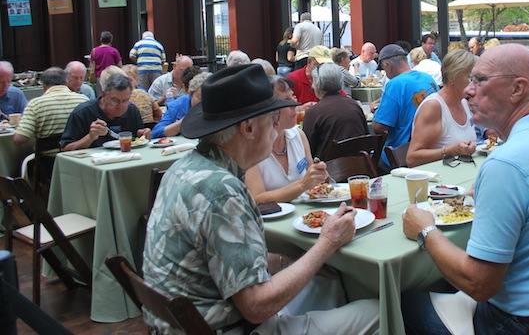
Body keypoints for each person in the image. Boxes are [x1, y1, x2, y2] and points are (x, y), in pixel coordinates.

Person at [144, 64, 378, 334]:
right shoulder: (222, 190)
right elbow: (256, 307)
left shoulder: (184, 168)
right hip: (229, 326)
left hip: (183, 319)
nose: (277, 127)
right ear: (249, 129)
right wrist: (327, 243)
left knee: (328, 282)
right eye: (272, 120)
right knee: (378, 311)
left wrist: (284, 261)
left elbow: (221, 258)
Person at [401, 44, 529, 335]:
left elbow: (480, 285)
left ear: (517, 89)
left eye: (480, 80)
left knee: (403, 301)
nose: (467, 91)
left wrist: (425, 231)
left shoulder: (507, 163)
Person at [245, 75, 329, 203]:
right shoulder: (250, 146)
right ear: (266, 110)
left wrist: (319, 175)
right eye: (285, 100)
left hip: (303, 219)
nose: (295, 104)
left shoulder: (298, 135)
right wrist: (302, 185)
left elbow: (312, 183)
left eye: (293, 97)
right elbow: (257, 198)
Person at [406, 49, 477, 167]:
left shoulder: (463, 103)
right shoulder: (433, 106)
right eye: (470, 78)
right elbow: (412, 158)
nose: (474, 84)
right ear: (453, 76)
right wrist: (449, 151)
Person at [372, 44, 438, 170]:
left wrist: (376, 110)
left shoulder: (395, 84)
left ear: (388, 65)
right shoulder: (427, 78)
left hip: (403, 155)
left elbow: (379, 126)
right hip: (431, 147)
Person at [61, 72, 151, 150]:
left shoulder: (131, 110)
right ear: (104, 95)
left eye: (125, 101)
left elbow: (138, 141)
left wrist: (143, 135)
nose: (120, 106)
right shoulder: (83, 112)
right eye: (115, 100)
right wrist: (90, 137)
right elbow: (65, 149)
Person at [13, 67, 88, 160]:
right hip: (81, 158)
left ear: (43, 86)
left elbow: (19, 139)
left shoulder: (35, 104)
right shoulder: (84, 100)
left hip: (48, 163)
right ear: (66, 82)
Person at [303, 63, 369, 158]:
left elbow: (307, 148)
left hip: (329, 169)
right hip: (361, 165)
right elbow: (366, 137)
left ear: (317, 84)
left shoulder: (314, 112)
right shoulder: (354, 105)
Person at [152, 71, 210, 139]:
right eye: (200, 98)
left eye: (209, 99)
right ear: (191, 94)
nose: (204, 102)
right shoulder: (176, 106)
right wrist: (183, 122)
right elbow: (156, 132)